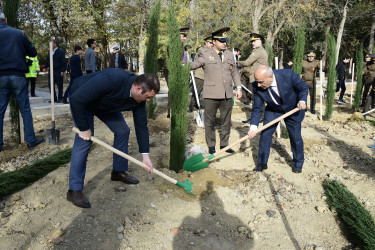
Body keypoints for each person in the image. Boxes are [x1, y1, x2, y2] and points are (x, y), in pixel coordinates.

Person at [67, 68, 160, 208]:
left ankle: (118, 172)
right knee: (84, 141)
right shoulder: (112, 78)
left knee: (122, 130)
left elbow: (141, 126)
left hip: (104, 104)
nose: (148, 100)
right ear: (138, 88)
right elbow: (76, 100)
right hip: (82, 100)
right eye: (148, 97)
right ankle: (74, 190)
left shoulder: (139, 99)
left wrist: (145, 155)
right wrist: (84, 129)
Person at [190, 27, 242, 154]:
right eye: (221, 41)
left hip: (227, 94)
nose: (225, 43)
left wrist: (239, 87)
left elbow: (234, 72)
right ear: (214, 42)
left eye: (225, 41)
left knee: (226, 121)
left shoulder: (230, 54)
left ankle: (224, 144)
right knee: (210, 122)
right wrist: (183, 65)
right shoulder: (206, 55)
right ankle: (211, 146)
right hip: (211, 95)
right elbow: (195, 64)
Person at [247, 65, 308, 173]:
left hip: (293, 108)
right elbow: (257, 108)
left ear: (270, 77)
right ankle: (262, 163)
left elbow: (303, 87)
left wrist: (302, 100)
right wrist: (253, 128)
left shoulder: (288, 75)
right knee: (265, 134)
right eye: (257, 82)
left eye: (261, 82)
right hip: (274, 109)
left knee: (295, 136)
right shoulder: (256, 86)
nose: (259, 85)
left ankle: (298, 163)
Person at [0, 12, 44, 152]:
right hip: (18, 76)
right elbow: (32, 52)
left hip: (1, 77)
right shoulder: (19, 33)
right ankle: (31, 140)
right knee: (25, 110)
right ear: (6, 20)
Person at [237, 33, 268, 108]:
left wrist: (236, 63)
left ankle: (256, 118)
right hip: (261, 78)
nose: (252, 43)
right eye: (252, 41)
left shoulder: (257, 51)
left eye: (254, 41)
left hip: (256, 79)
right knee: (258, 100)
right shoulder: (263, 51)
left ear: (260, 41)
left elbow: (247, 62)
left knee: (257, 100)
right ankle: (257, 117)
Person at [163, 27, 189, 118]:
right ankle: (170, 111)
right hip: (169, 70)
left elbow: (183, 57)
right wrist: (179, 64)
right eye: (183, 36)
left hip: (178, 69)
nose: (185, 38)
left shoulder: (182, 46)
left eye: (186, 36)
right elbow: (171, 59)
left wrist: (184, 62)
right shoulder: (173, 44)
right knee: (172, 89)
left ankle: (177, 108)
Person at [189, 36, 213, 112]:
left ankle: (197, 104)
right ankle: (191, 106)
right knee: (196, 92)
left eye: (213, 43)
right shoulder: (201, 50)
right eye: (210, 43)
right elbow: (202, 53)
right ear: (206, 43)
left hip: (208, 75)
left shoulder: (212, 50)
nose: (212, 44)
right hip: (200, 75)